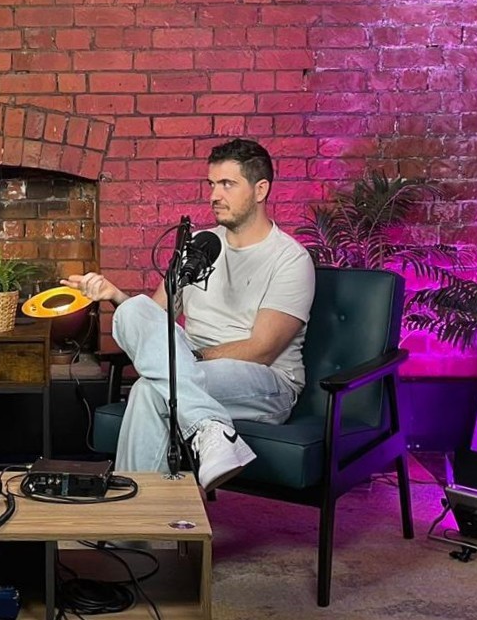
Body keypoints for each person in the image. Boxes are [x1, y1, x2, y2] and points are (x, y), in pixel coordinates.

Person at [66, 138, 314, 491]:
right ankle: (210, 431)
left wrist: (186, 358)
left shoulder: (290, 259)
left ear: (261, 190)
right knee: (135, 321)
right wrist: (114, 295)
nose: (214, 195)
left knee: (151, 388)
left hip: (267, 382)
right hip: (194, 371)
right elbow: (154, 316)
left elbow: (262, 350)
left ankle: (132, 513)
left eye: (227, 184)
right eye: (212, 184)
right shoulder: (199, 246)